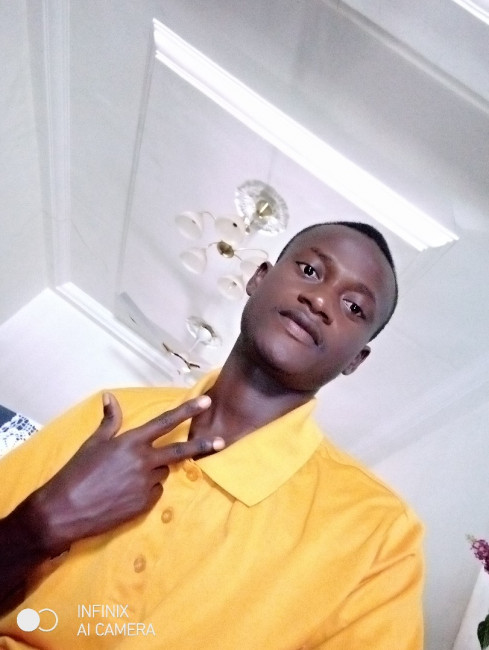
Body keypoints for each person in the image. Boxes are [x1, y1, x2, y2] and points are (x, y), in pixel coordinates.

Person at [0, 221, 424, 649]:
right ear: (258, 279)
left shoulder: (379, 530)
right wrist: (40, 523)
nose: (319, 300)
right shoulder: (111, 413)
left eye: (354, 307)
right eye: (311, 271)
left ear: (356, 360)